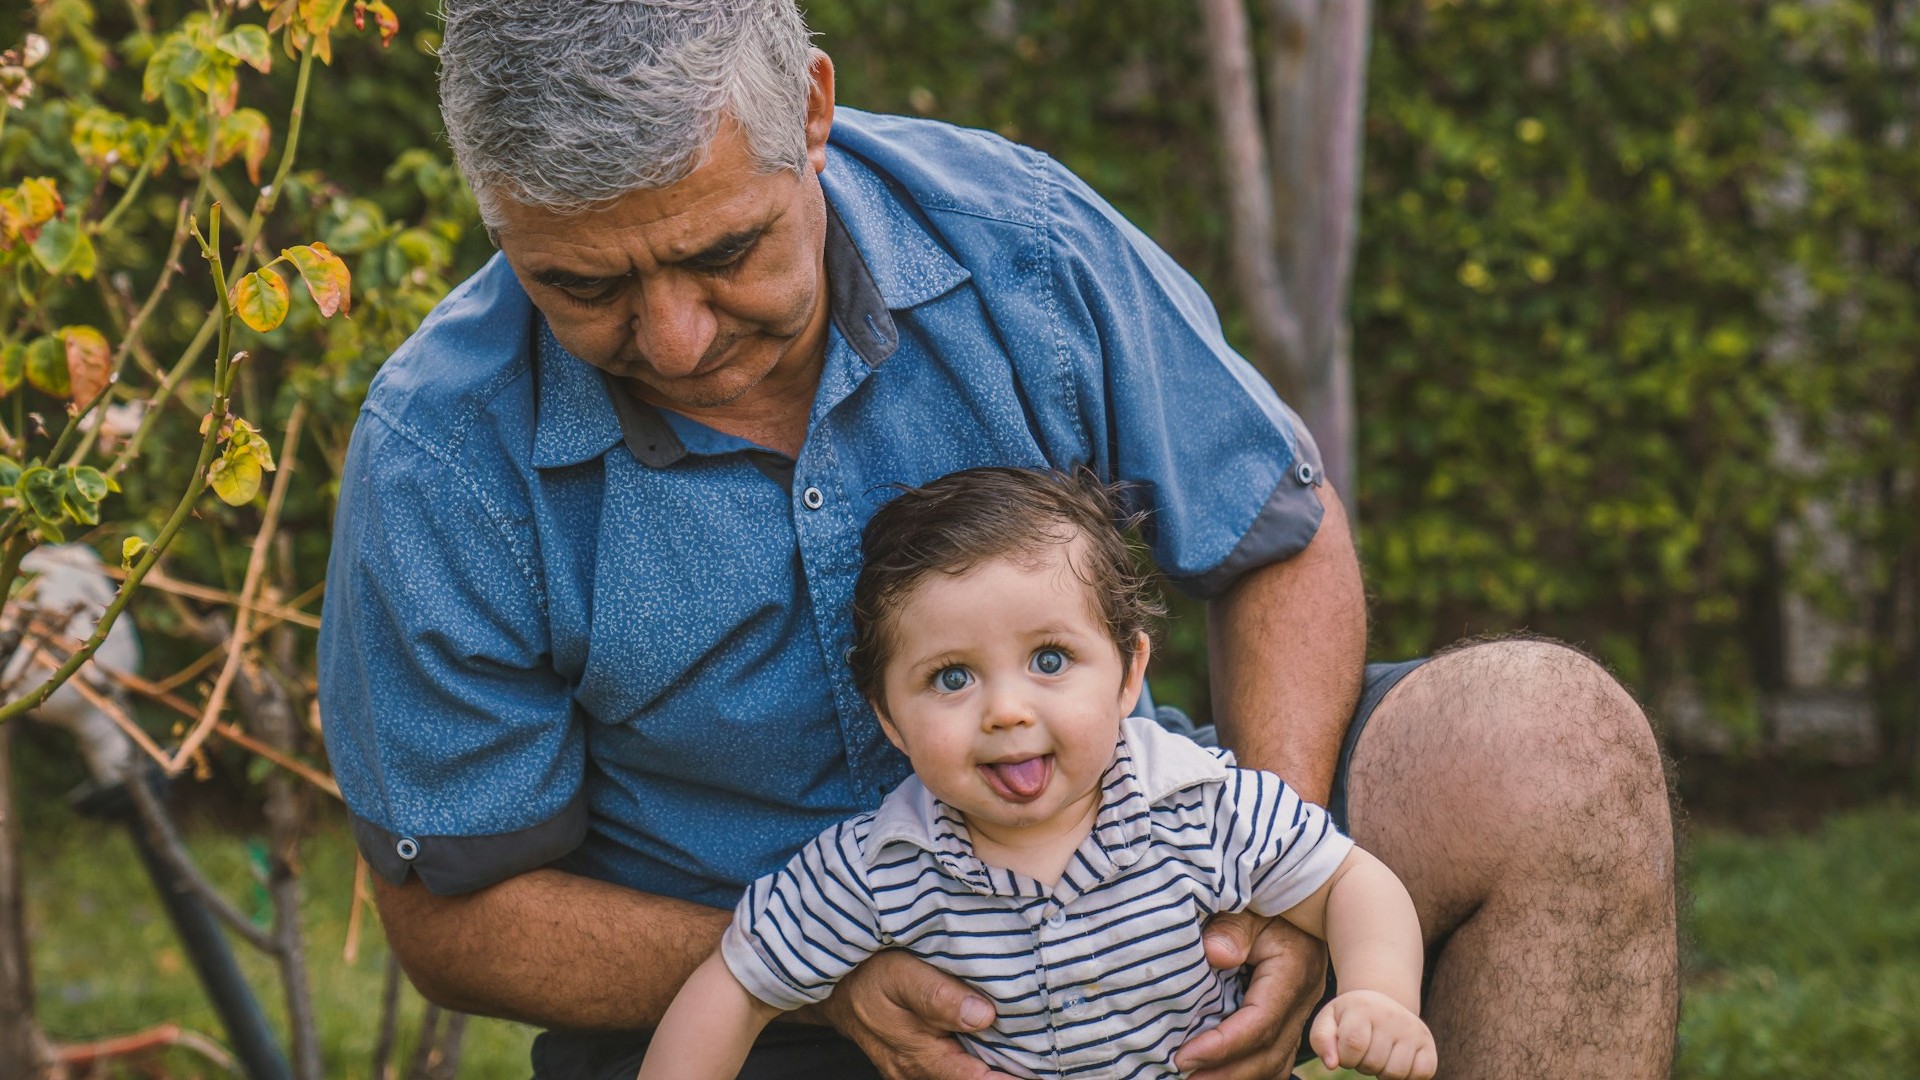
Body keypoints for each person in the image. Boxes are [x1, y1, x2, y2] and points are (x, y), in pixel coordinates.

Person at [317, 2, 1678, 1077]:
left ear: (813, 113)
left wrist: (1276, 891)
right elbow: (456, 917)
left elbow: (1275, 539)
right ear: (502, 217)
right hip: (759, 1013)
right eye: (583, 285)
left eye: (726, 251)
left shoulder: (1018, 241)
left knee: (1546, 741)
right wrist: (824, 971)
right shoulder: (441, 454)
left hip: (1155, 882)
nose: (674, 337)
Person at [637, 467, 1439, 1080]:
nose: (1006, 711)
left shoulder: (1196, 805)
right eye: (952, 677)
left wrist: (1378, 993)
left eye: (1049, 660)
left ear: (1129, 675)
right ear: (888, 716)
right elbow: (737, 983)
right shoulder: (883, 866)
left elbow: (1350, 883)